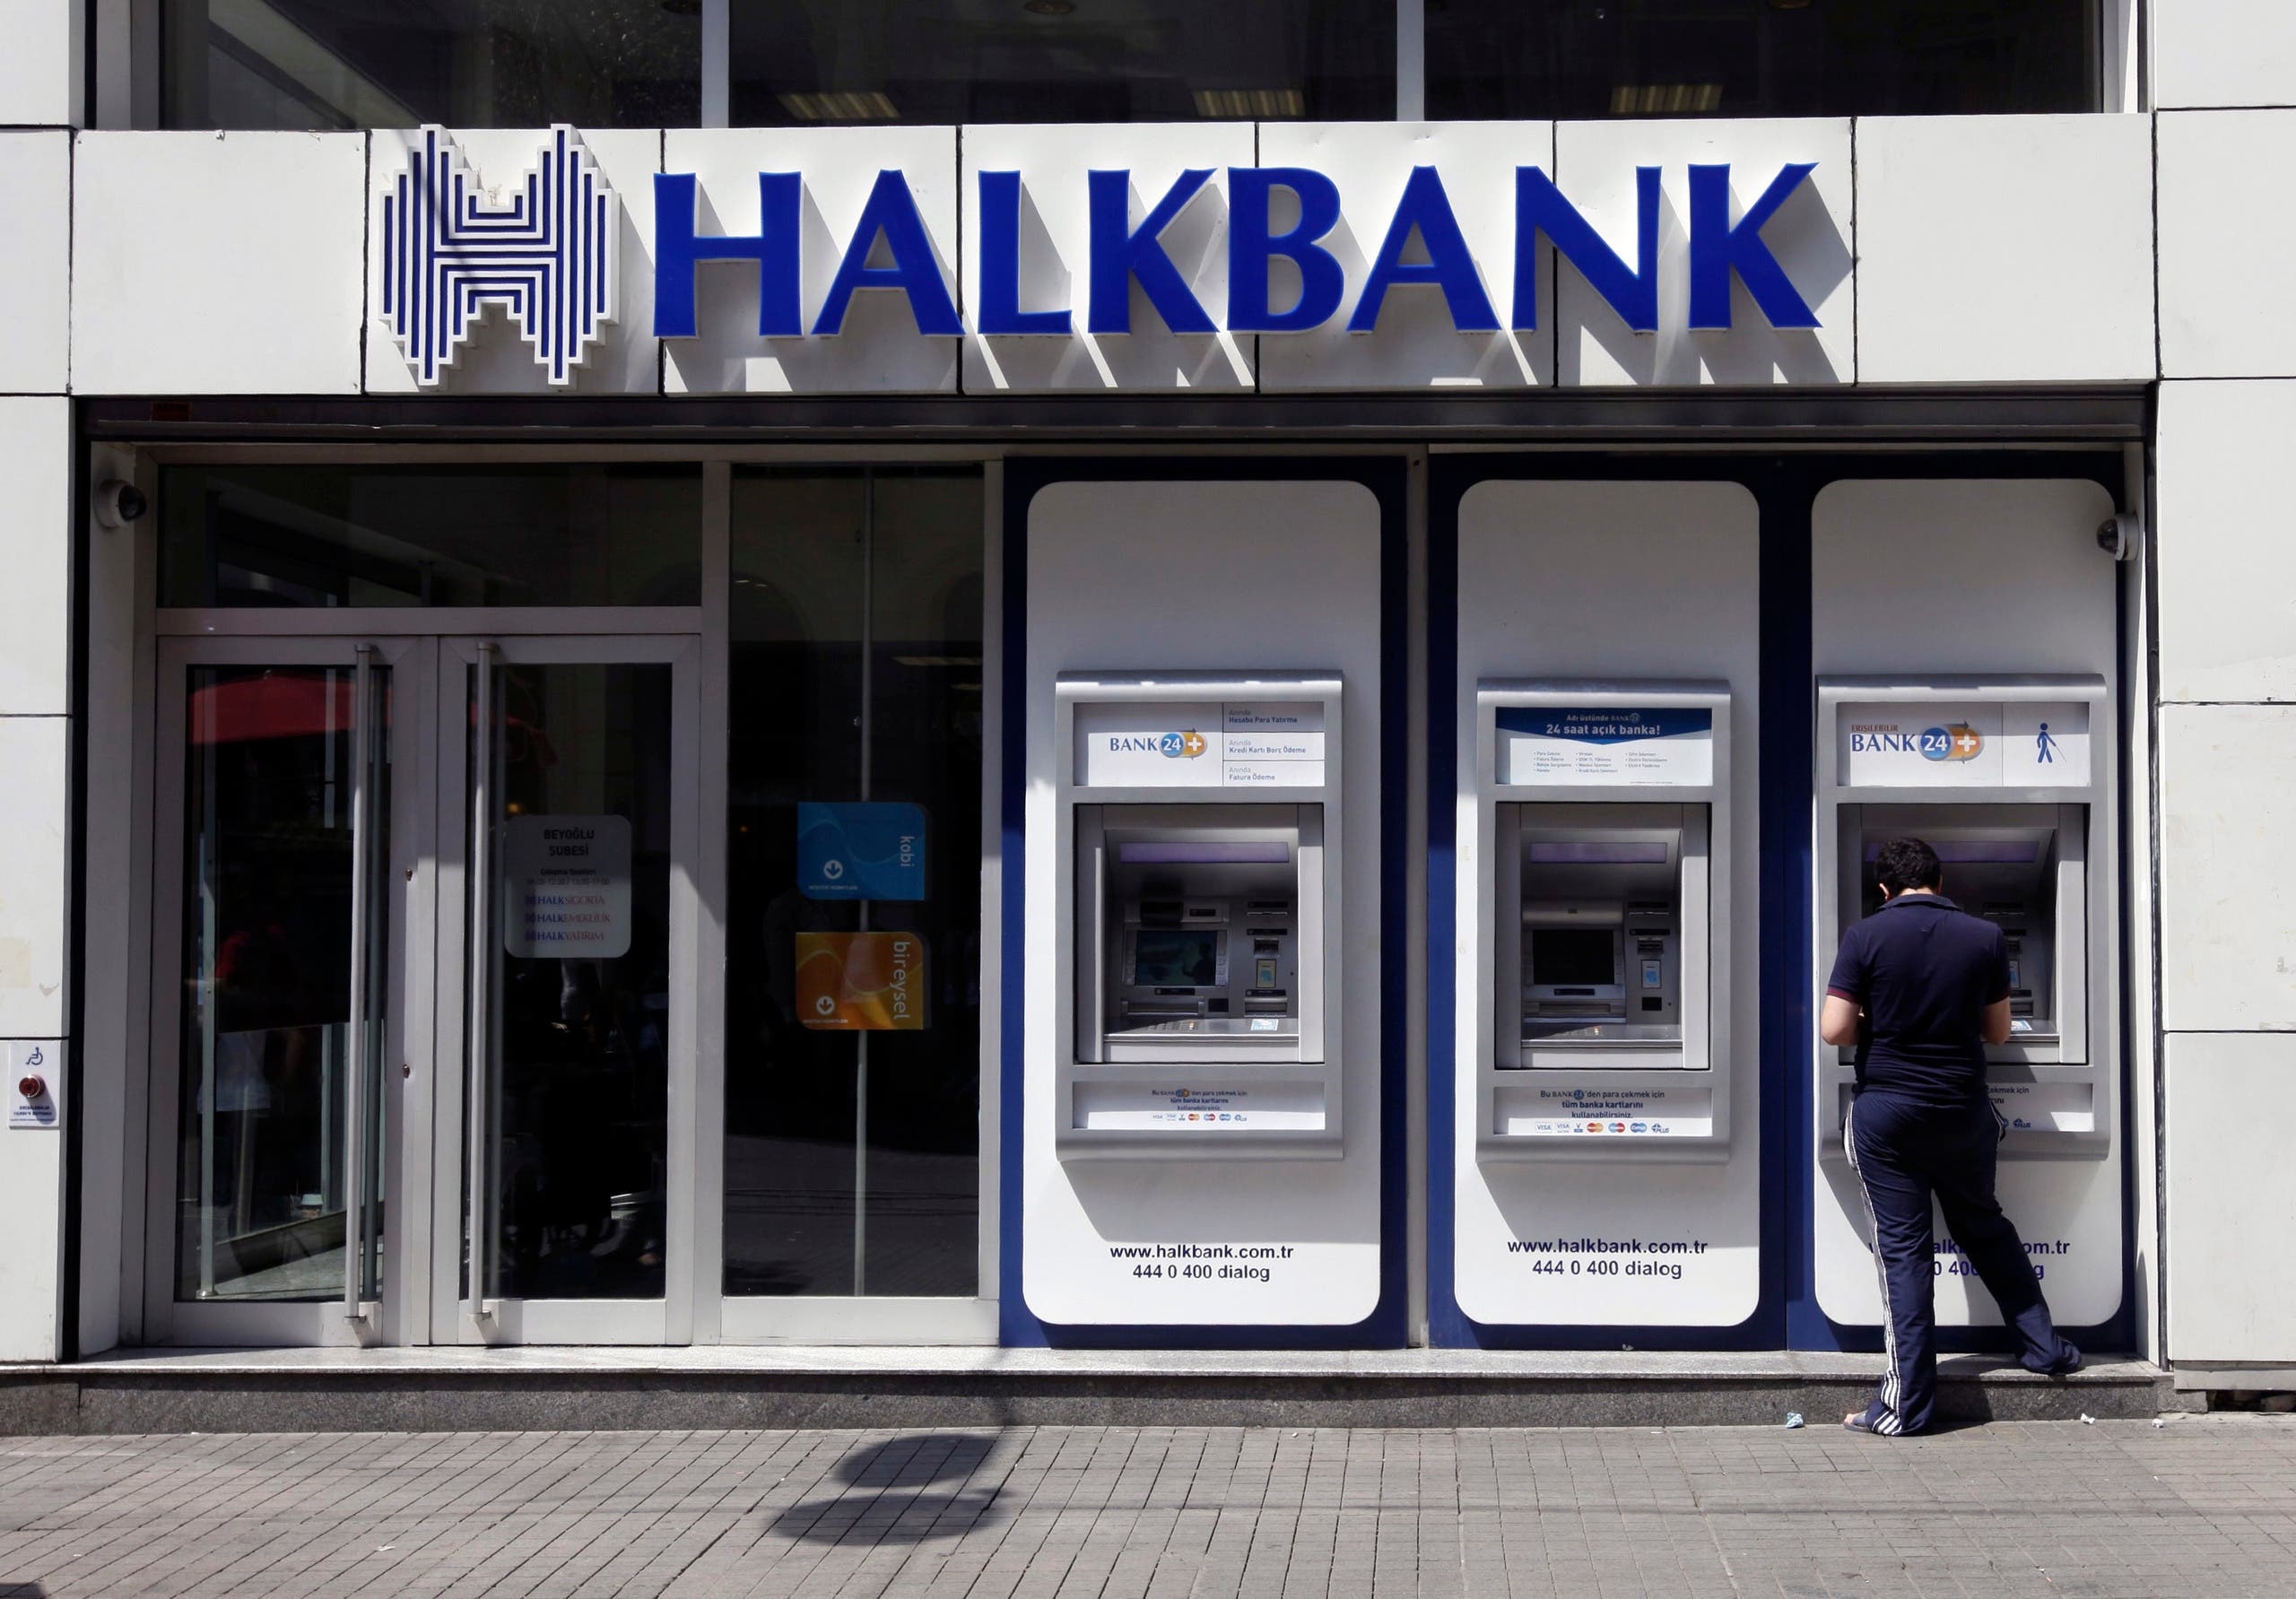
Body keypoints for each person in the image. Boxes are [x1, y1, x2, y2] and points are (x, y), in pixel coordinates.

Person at [1821, 837, 2081, 1436]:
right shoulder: (1985, 936)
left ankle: (1906, 1405)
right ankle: (2044, 1347)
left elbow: (1835, 1029)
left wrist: (1877, 1012)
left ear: (1884, 888)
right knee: (1983, 1225)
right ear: (1939, 880)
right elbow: (1995, 1030)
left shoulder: (1866, 936)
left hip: (1888, 1115)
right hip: (1963, 1110)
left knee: (1904, 1252)